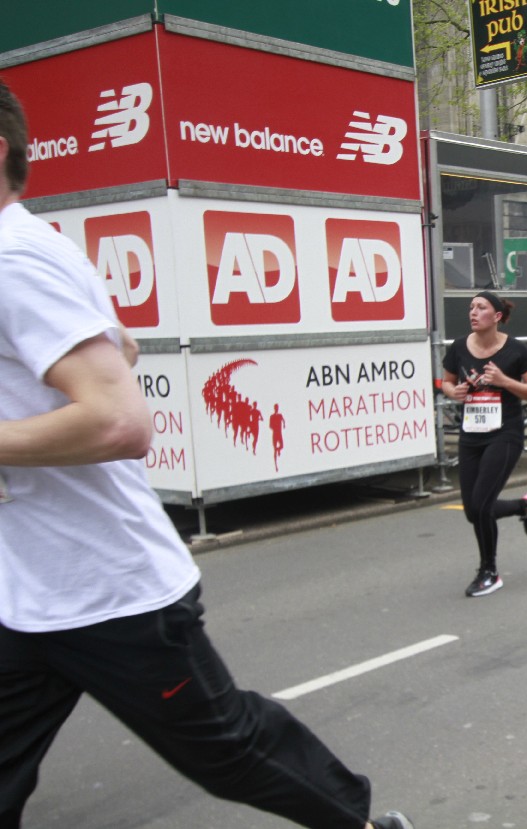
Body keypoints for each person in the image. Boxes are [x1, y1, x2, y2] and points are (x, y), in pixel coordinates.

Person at [0, 80, 412, 829]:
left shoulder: (15, 258)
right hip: (23, 594)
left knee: (230, 751)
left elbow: (119, 422)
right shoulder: (31, 250)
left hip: (110, 593)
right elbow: (123, 347)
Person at [441, 291, 527, 597]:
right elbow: (446, 380)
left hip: (504, 434)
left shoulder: (517, 351)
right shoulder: (459, 347)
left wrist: (504, 381)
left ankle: (489, 571)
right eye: (471, 307)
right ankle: (525, 506)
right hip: (471, 435)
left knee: (483, 505)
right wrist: (452, 392)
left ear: (497, 316)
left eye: (481, 307)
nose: (473, 312)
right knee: (473, 511)